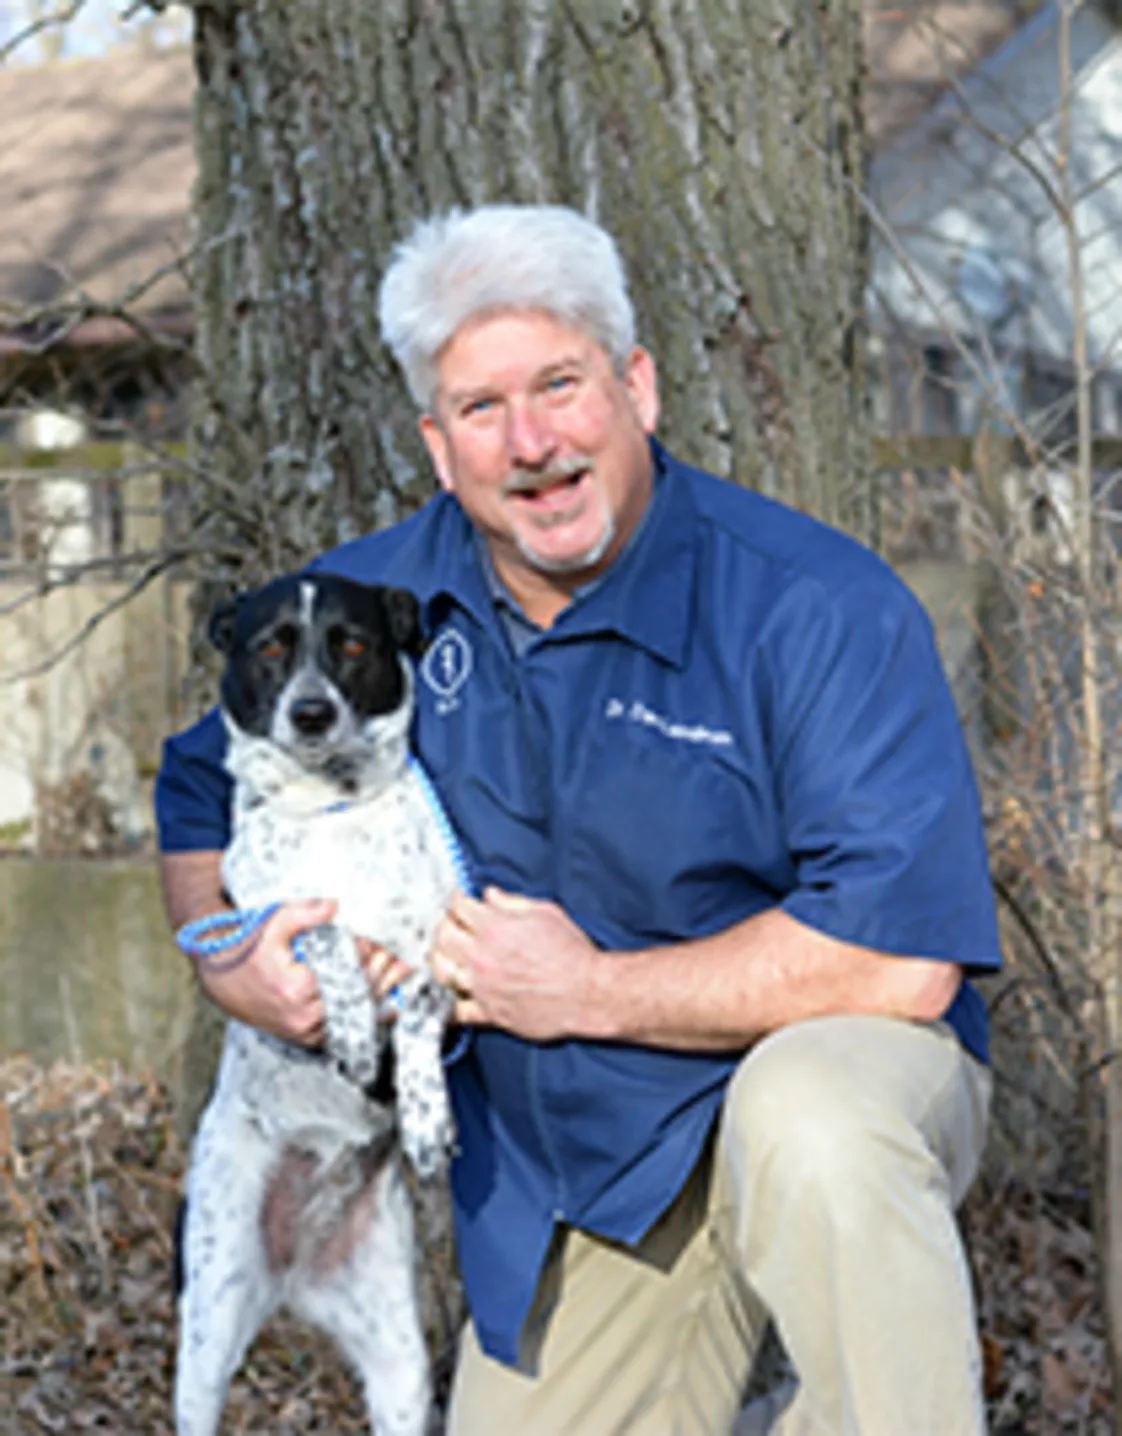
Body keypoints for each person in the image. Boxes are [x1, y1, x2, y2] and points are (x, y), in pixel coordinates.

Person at [156, 203, 1001, 1436]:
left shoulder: (812, 604)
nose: (533, 440)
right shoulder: (374, 615)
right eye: (483, 408)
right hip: (602, 1172)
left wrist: (592, 990)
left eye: (560, 382)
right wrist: (228, 959)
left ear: (639, 386)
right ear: (439, 448)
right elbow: (195, 778)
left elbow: (902, 959)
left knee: (814, 1122)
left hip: (833, 1061)